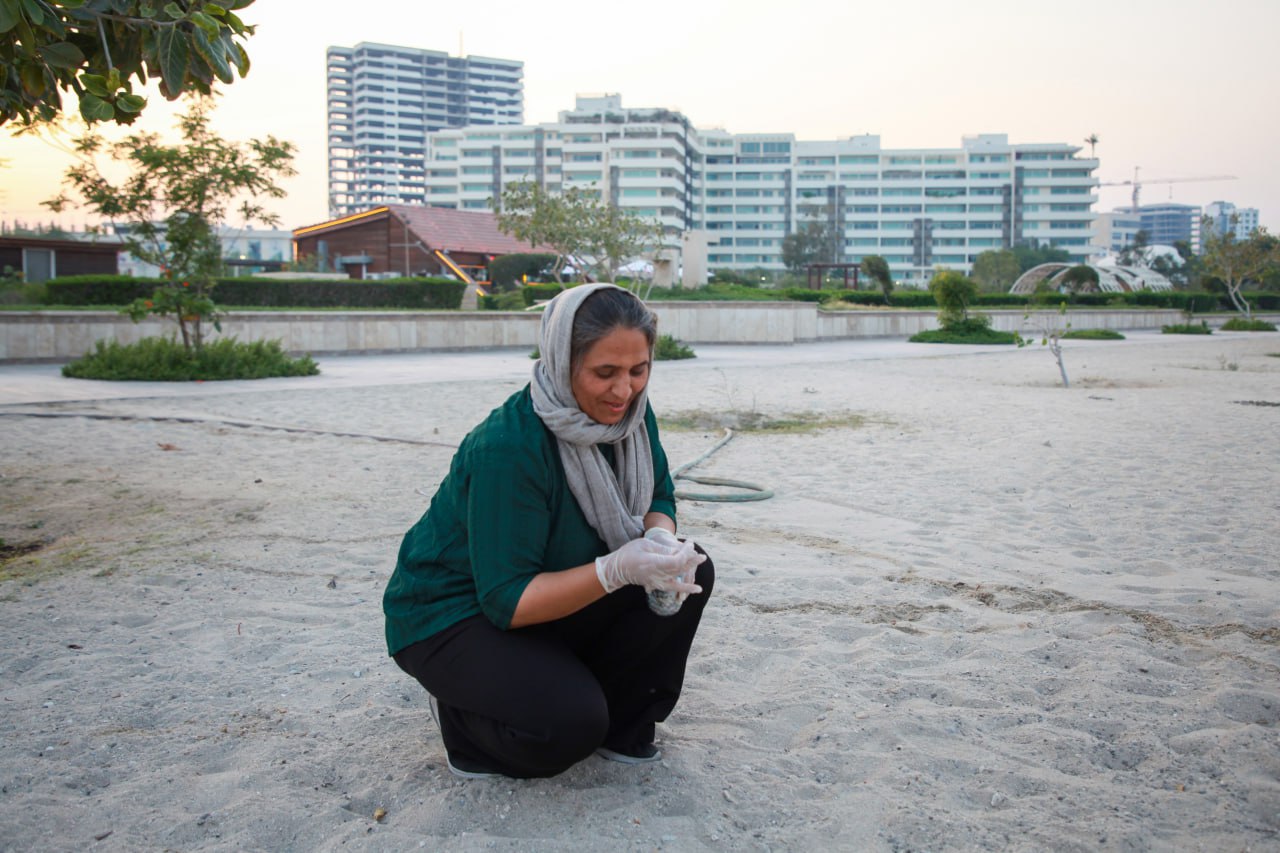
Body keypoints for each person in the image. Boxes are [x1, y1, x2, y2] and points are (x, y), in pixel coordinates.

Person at [383, 282, 715, 779]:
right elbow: (506, 599)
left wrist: (659, 541)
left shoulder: (632, 419)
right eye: (605, 373)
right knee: (566, 727)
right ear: (563, 362)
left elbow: (658, 496)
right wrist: (615, 570)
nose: (624, 391)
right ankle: (460, 719)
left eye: (638, 370)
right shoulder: (508, 446)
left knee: (692, 568)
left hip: (551, 585)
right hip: (456, 612)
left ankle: (623, 723)